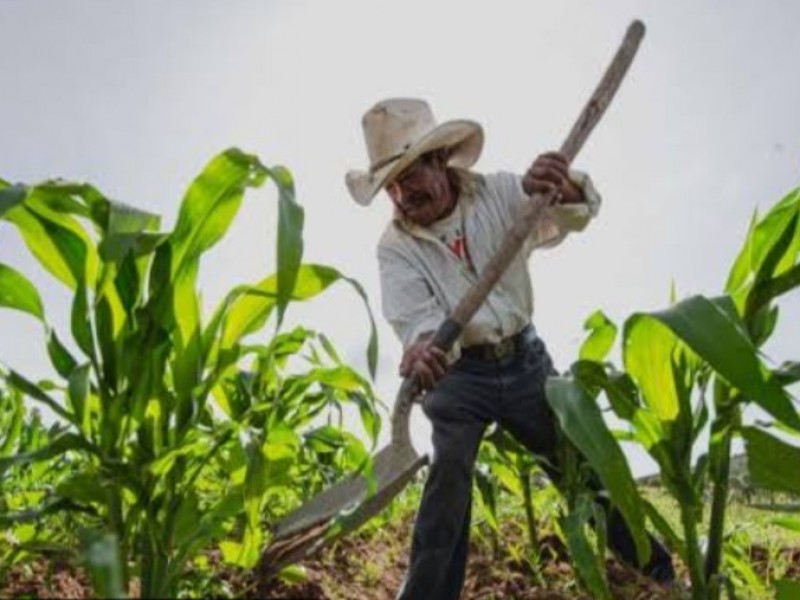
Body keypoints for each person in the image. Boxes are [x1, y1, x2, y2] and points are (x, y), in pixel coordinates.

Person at [346, 98, 674, 600]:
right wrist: (421, 350)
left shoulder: (499, 192)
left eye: (408, 177)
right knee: (448, 480)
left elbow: (572, 214)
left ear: (439, 160)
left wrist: (561, 188)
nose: (401, 194)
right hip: (459, 377)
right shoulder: (396, 245)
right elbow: (415, 319)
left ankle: (659, 575)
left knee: (580, 468)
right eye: (391, 184)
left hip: (525, 362)